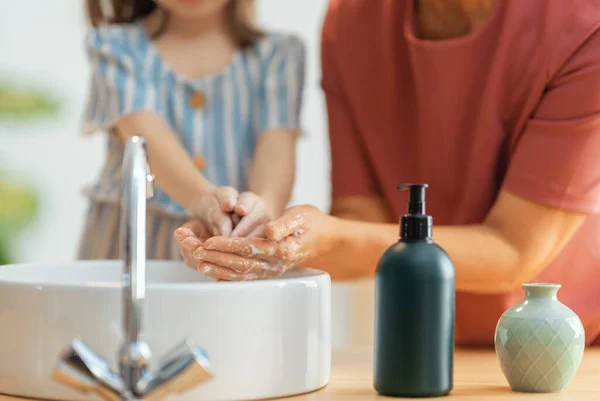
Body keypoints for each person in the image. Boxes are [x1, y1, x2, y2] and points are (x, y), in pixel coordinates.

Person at [175, 0, 600, 345]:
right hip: (427, 338)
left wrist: (327, 235)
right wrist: (257, 241)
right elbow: (362, 225)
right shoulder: (351, 23)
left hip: (567, 349)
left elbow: (514, 249)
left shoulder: (585, 27)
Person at [77, 0, 305, 260]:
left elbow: (276, 148)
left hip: (231, 247)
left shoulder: (278, 55)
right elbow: (146, 137)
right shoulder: (115, 46)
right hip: (129, 245)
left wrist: (262, 210)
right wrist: (204, 200)